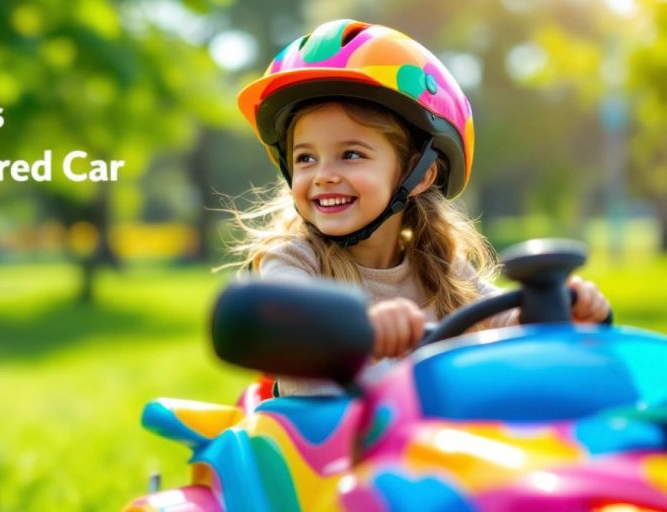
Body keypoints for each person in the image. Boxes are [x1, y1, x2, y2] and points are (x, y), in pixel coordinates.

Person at [224, 19, 611, 396]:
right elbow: (287, 312)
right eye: (306, 159)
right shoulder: (293, 258)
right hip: (315, 450)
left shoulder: (438, 266)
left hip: (414, 450)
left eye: (351, 154)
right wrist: (360, 327)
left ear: (419, 174)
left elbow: (500, 321)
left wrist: (554, 309)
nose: (323, 175)